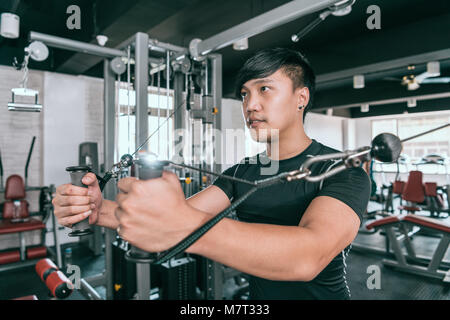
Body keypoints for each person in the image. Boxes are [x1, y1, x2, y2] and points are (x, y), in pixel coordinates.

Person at [52, 48, 371, 300]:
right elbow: (174, 217)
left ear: (301, 97)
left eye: (264, 89)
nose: (251, 105)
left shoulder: (341, 170)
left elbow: (307, 257)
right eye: (245, 94)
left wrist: (184, 226)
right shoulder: (242, 172)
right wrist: (96, 210)